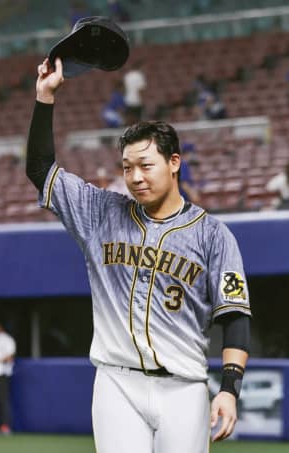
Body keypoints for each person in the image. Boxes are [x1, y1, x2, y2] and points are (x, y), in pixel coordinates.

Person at [26, 57, 251, 453]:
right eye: (127, 167)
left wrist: (230, 388)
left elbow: (233, 318)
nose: (135, 177)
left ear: (174, 162)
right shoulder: (100, 213)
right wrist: (45, 98)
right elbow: (41, 169)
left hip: (183, 387)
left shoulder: (214, 235)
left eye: (145, 165)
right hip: (117, 383)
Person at [123, 59, 147, 125]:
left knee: (129, 119)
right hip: (137, 101)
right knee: (138, 121)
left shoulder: (127, 75)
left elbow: (124, 89)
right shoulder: (139, 76)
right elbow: (140, 90)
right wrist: (144, 101)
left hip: (128, 101)